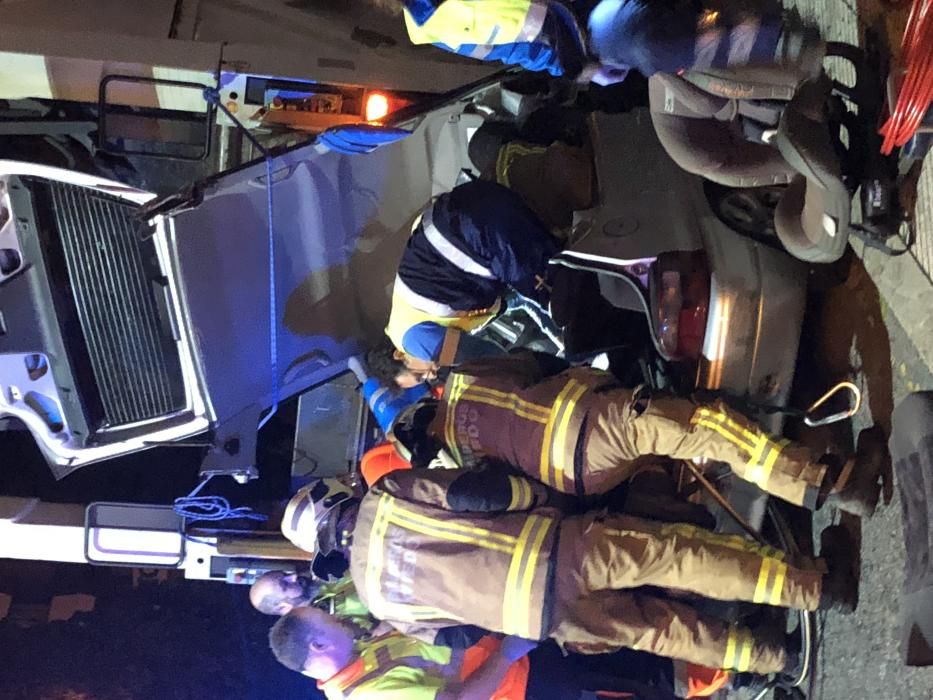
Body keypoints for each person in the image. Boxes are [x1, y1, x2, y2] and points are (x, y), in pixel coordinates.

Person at [284, 469, 858, 676]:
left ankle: (774, 659)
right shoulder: (385, 496)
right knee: (677, 556)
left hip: (544, 621)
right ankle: (814, 588)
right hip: (556, 551)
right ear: (337, 497)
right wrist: (537, 495)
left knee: (658, 630)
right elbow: (477, 493)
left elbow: (459, 636)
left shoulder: (379, 604)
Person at [391, 351, 887, 516]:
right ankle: (834, 483)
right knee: (710, 429)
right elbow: (536, 363)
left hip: (581, 479)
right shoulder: (463, 380)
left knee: (674, 452)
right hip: (595, 425)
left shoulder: (463, 460)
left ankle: (696, 507)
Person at [269, 607, 754, 699]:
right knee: (635, 688)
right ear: (317, 644)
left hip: (519, 663)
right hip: (524, 688)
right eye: (328, 621)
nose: (341, 619)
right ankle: (738, 675)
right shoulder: (366, 696)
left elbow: (445, 662)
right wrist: (502, 656)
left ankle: (732, 668)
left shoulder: (363, 659)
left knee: (632, 666)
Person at [368, 0, 826, 83]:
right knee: (643, 42)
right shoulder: (436, 26)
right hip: (591, 21)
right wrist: (585, 70)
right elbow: (527, 50)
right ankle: (778, 40)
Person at [383, 179, 560, 384]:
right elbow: (515, 300)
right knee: (558, 285)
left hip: (479, 234)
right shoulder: (414, 310)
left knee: (567, 297)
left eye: (419, 374)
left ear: (399, 354)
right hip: (472, 202)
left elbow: (493, 360)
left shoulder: (412, 340)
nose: (431, 375)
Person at [249, 571, 377, 633]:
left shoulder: (324, 574)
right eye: (285, 584)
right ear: (283, 607)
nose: (293, 576)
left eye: (285, 574)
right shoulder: (323, 631)